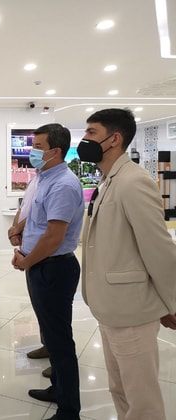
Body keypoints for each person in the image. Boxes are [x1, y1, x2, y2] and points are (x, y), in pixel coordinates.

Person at [79, 108, 176, 420]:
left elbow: (158, 247)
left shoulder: (134, 181)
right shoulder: (109, 180)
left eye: (91, 132)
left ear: (114, 139)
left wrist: (172, 302)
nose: (84, 139)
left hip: (131, 310)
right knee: (119, 389)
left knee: (141, 399)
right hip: (110, 307)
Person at [11, 123, 83, 420]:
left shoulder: (63, 184)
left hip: (54, 268)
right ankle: (57, 389)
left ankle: (69, 410)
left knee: (60, 341)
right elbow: (36, 218)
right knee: (52, 337)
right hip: (41, 265)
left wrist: (26, 261)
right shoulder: (43, 179)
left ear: (56, 151)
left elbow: (54, 237)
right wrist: (19, 234)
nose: (32, 152)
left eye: (38, 147)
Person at [9, 172, 52, 377]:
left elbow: (38, 215)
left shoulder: (58, 182)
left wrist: (18, 228)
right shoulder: (35, 180)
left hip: (48, 258)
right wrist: (15, 229)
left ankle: (59, 360)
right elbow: (24, 207)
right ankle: (47, 345)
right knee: (40, 308)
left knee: (53, 314)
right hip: (31, 254)